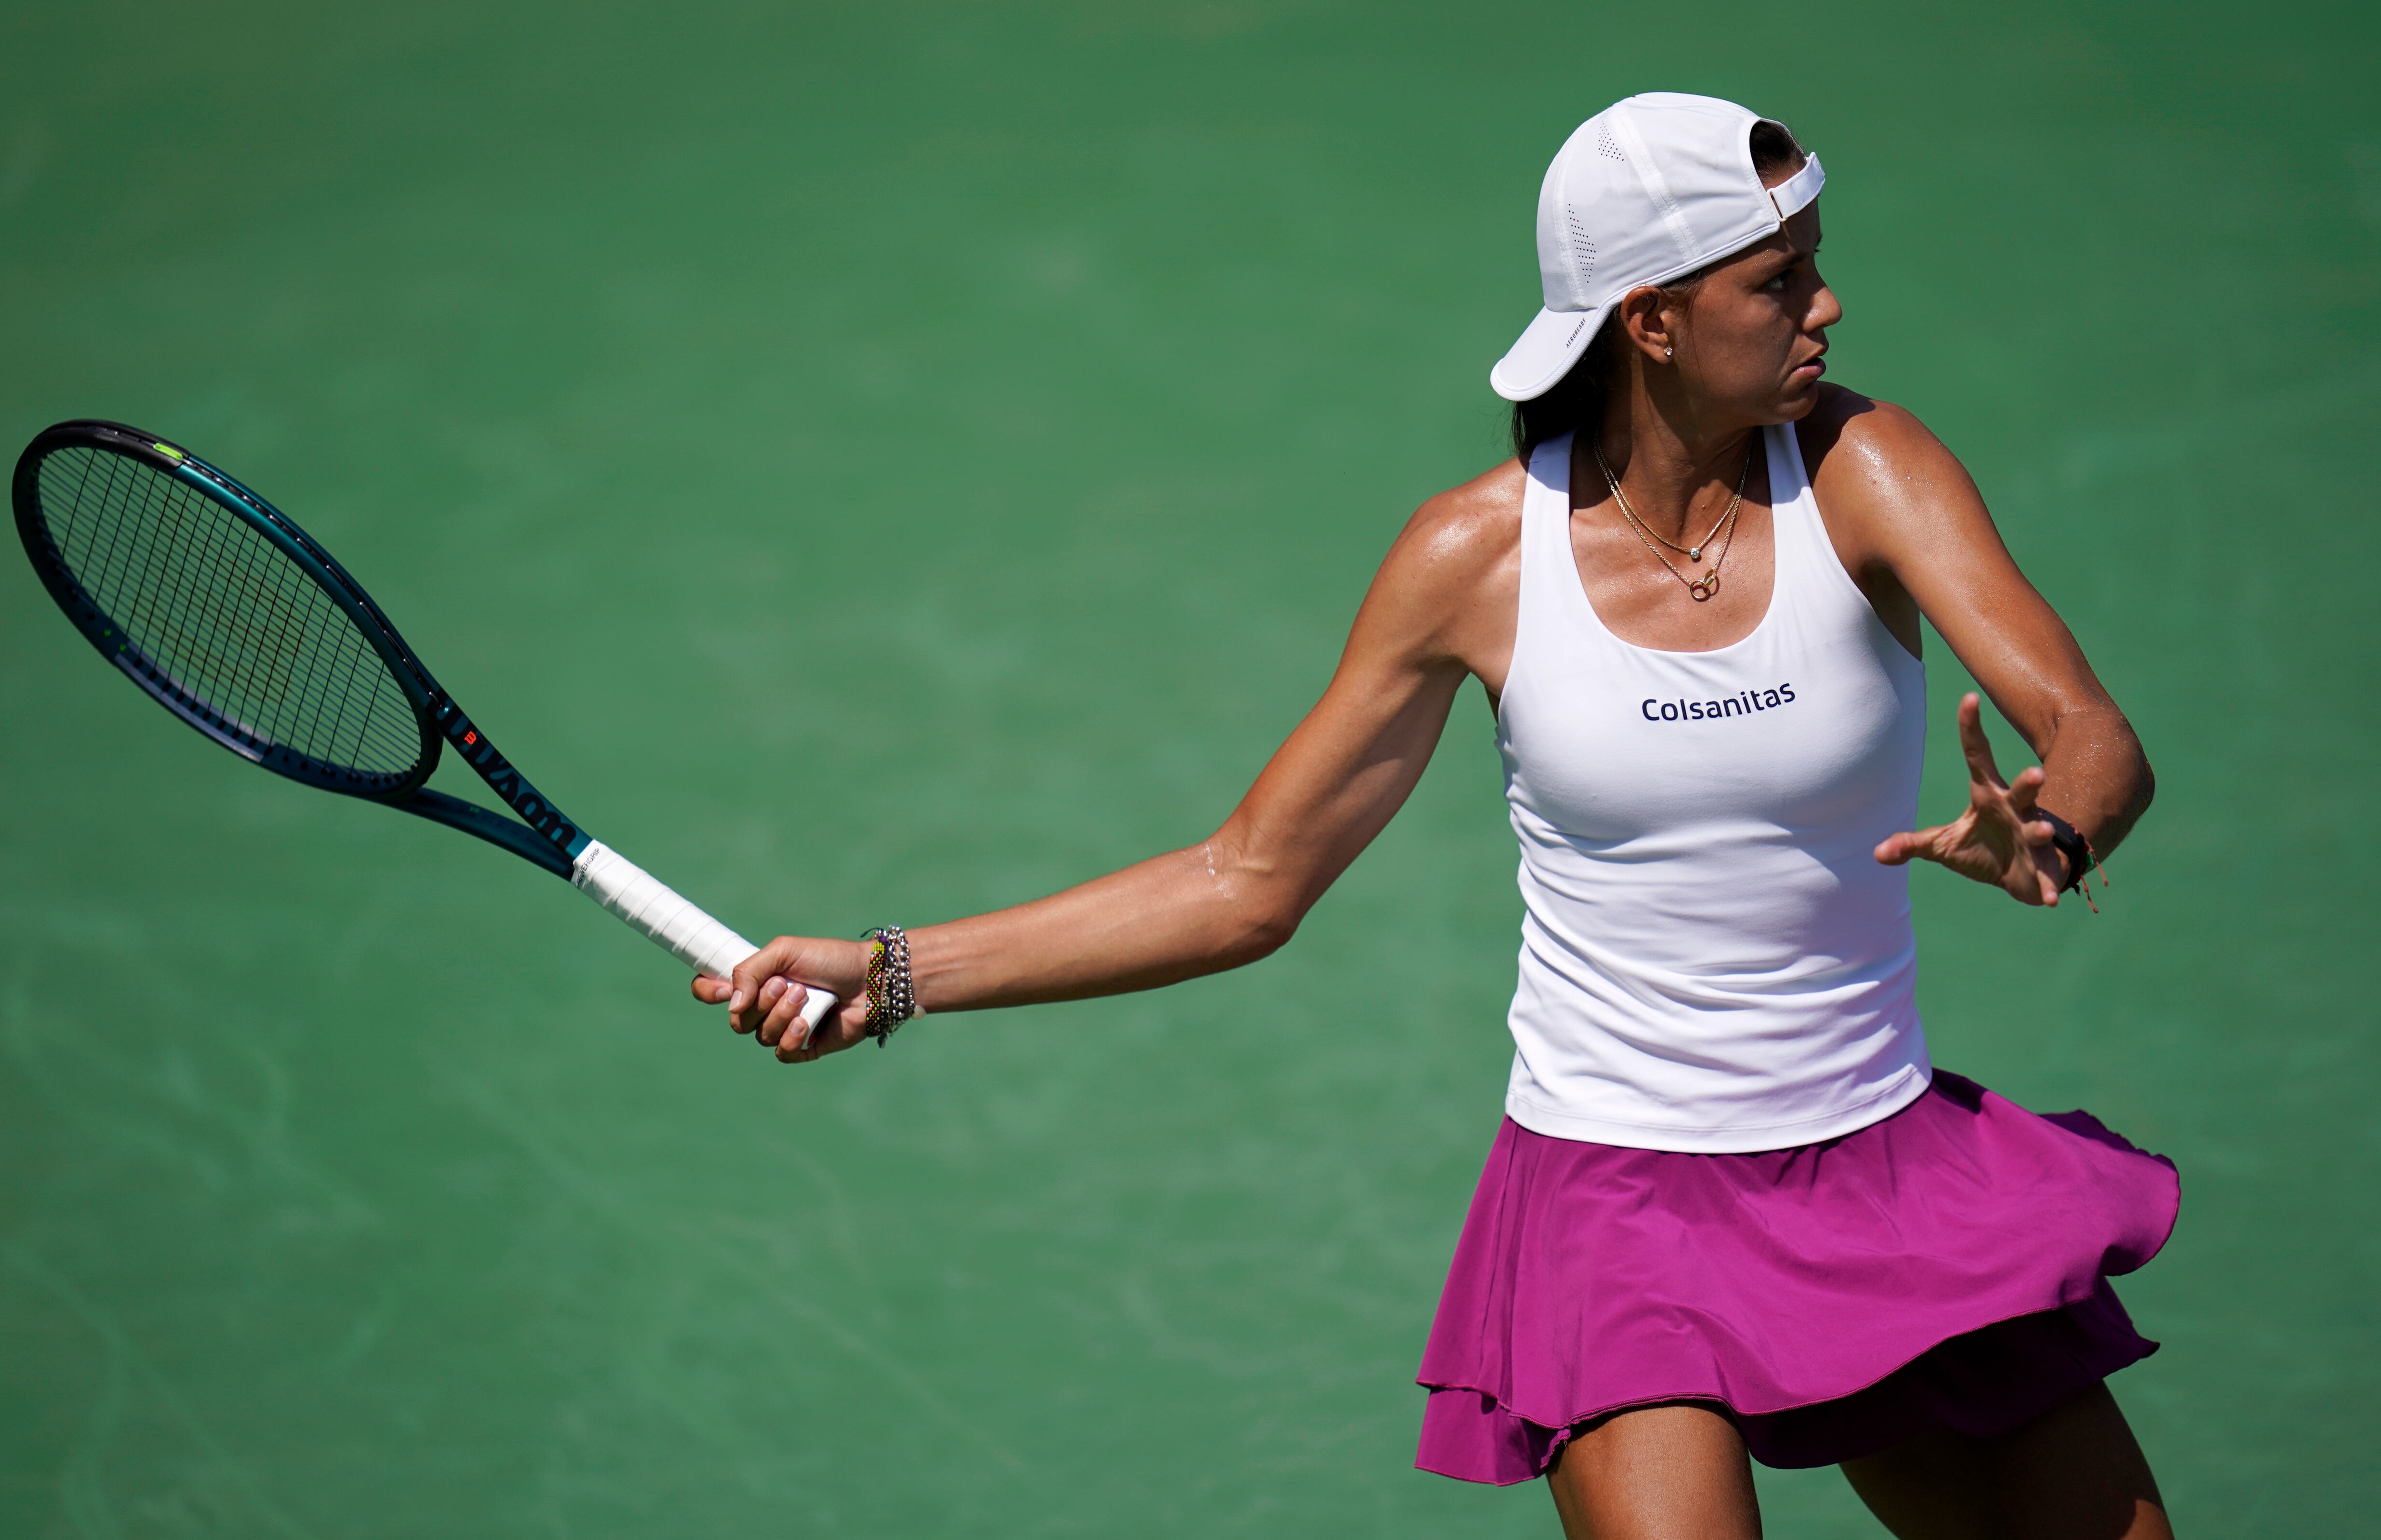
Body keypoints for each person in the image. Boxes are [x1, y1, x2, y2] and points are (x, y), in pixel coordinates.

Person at [700, 92, 2176, 1540]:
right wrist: (894, 972)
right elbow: (1247, 880)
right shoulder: (1474, 558)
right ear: (1650, 319)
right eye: (1778, 279)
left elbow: (2088, 731)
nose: (1828, 305)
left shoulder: (1872, 470)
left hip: (1884, 1163)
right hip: (1619, 1205)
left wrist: (2049, 836)